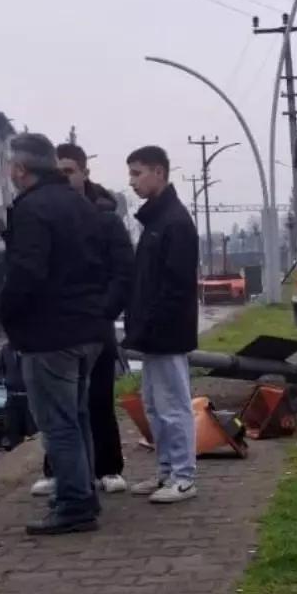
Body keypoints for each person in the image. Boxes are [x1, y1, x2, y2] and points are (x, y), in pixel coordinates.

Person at [0, 133, 110, 536]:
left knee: (58, 422)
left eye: (11, 165)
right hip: (88, 329)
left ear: (21, 169)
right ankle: (82, 493)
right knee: (76, 418)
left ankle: (75, 503)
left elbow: (27, 272)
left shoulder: (31, 210)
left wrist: (4, 312)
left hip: (50, 334)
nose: (10, 171)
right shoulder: (80, 205)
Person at [27, 143, 134, 498]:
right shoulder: (46, 212)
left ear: (85, 173)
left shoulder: (105, 215)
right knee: (59, 404)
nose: (65, 176)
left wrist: (106, 310)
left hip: (94, 323)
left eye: (70, 170)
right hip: (58, 324)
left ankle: (108, 467)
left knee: (98, 398)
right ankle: (59, 471)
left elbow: (123, 271)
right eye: (59, 170)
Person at [123, 145, 199, 504]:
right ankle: (167, 470)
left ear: (159, 172)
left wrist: (151, 321)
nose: (133, 181)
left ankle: (183, 476)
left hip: (167, 333)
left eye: (138, 173)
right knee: (154, 405)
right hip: (153, 333)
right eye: (132, 174)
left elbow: (174, 285)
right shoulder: (157, 221)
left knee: (173, 405)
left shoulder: (175, 223)